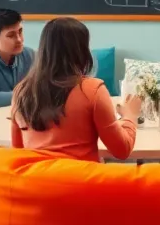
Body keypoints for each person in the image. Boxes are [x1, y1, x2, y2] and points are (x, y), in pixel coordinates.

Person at [10, 17, 141, 162]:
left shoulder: (20, 91)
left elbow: (18, 151)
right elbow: (122, 150)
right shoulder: (92, 90)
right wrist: (130, 116)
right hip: (80, 181)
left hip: (35, 180)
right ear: (81, 50)